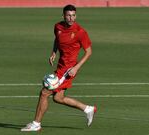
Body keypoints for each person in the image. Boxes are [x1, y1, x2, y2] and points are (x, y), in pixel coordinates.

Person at [21, 4, 96, 132]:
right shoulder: (58, 26)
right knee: (58, 98)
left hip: (68, 69)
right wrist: (54, 52)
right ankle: (88, 109)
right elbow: (57, 39)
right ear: (63, 16)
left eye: (73, 15)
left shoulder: (80, 32)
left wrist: (76, 68)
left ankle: (36, 123)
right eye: (68, 15)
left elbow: (89, 52)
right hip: (60, 66)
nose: (71, 18)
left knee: (45, 92)